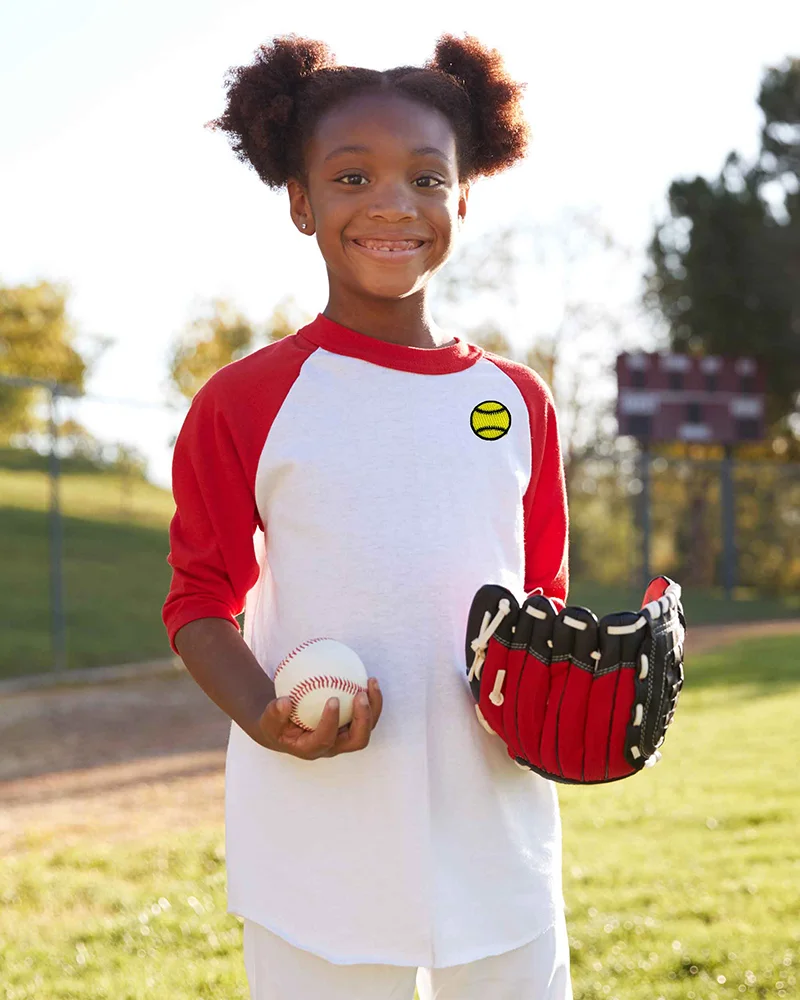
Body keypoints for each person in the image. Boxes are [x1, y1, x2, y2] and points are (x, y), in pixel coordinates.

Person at [162, 32, 572, 1000]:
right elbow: (199, 600)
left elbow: (542, 595)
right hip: (317, 823)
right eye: (352, 177)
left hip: (496, 820)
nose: (392, 203)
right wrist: (264, 717)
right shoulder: (246, 399)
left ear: (463, 197)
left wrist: (562, 700)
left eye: (426, 178)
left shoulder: (517, 400)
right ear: (300, 203)